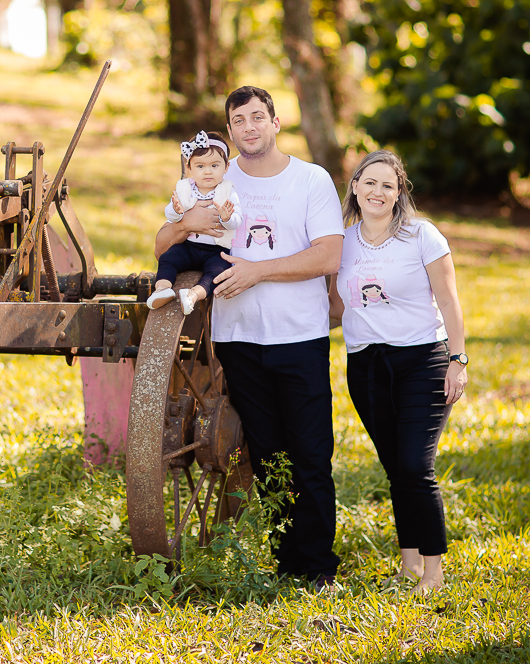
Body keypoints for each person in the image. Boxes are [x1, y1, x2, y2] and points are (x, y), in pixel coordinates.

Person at [154, 86, 345, 586]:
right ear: (230, 130)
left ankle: (319, 568)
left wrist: (259, 271)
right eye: (239, 121)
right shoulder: (212, 175)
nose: (250, 127)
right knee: (267, 454)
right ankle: (287, 565)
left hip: (299, 336)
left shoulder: (310, 180)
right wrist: (185, 225)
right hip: (237, 340)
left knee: (310, 454)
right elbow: (162, 242)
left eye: (258, 117)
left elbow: (328, 256)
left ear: (276, 123)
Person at [327, 150, 468, 595]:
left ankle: (434, 573)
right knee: (395, 468)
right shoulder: (341, 242)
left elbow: (449, 302)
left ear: (400, 192)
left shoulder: (422, 235)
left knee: (414, 465)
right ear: (354, 187)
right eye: (369, 182)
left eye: (388, 185)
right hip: (366, 365)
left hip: (422, 360)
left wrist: (458, 361)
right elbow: (332, 307)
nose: (378, 192)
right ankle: (408, 565)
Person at [147, 130, 242, 315]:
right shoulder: (185, 189)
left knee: (217, 275)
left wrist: (226, 217)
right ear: (189, 168)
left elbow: (236, 222)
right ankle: (162, 289)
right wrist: (176, 210)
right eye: (200, 166)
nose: (207, 171)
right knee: (168, 258)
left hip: (216, 250)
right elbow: (172, 217)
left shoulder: (228, 191)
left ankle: (192, 295)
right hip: (189, 246)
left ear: (226, 167)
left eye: (214, 165)